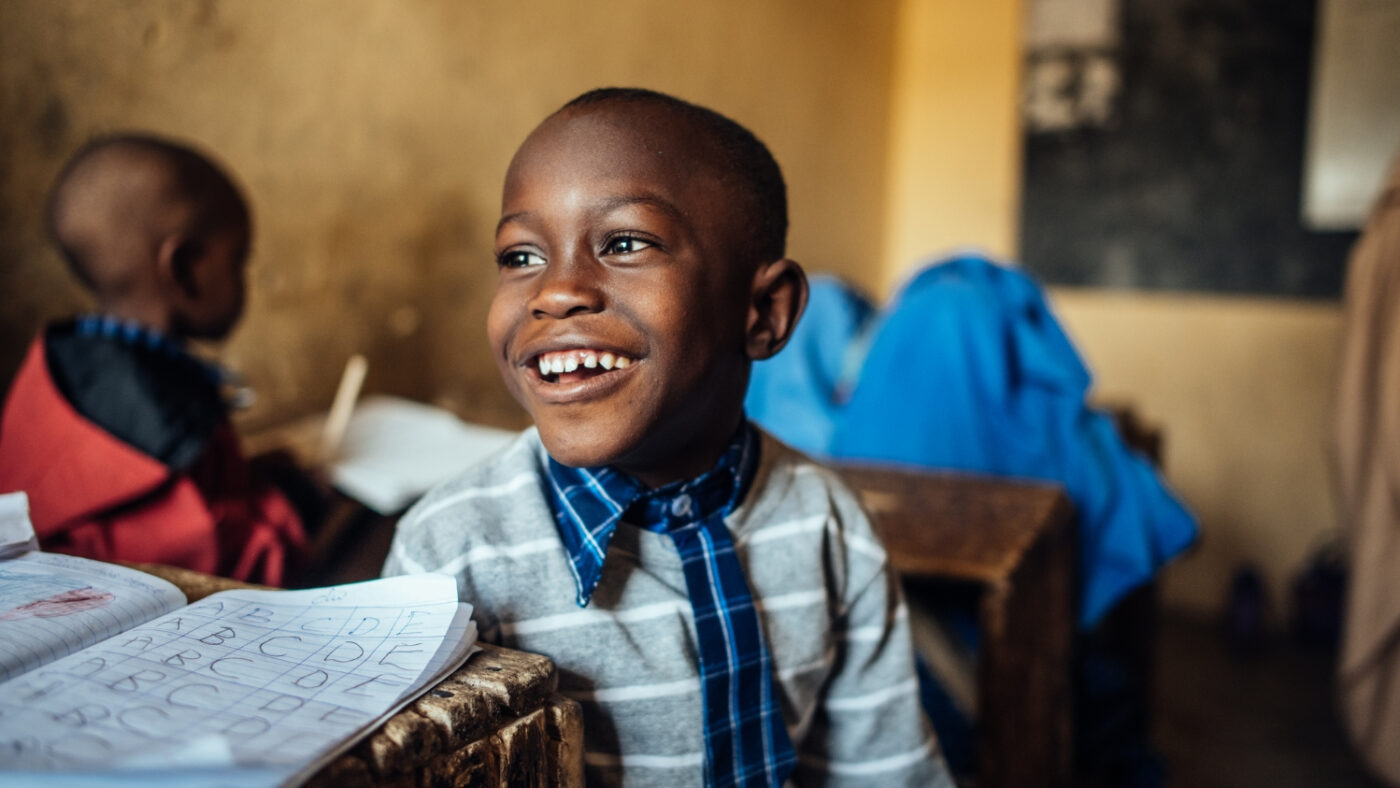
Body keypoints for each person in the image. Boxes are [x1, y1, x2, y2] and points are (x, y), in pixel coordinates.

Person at [382, 88, 950, 787]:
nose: (555, 292)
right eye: (521, 256)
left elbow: (882, 773)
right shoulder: (451, 554)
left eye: (624, 243)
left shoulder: (831, 526)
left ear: (765, 312)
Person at [0, 133, 308, 587]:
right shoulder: (152, 422)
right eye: (239, 259)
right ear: (183, 269)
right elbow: (225, 562)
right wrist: (300, 502)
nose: (246, 278)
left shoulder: (60, 362)